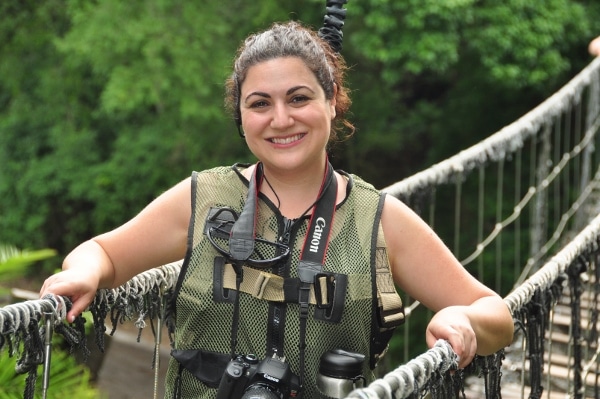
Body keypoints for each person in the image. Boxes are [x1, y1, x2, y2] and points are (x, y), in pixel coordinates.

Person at [40, 20, 514, 399]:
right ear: (241, 117)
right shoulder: (201, 199)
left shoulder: (379, 221)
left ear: (332, 103)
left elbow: (495, 314)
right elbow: (102, 252)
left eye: (299, 98)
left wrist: (465, 322)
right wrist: (83, 272)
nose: (281, 119)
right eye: (260, 103)